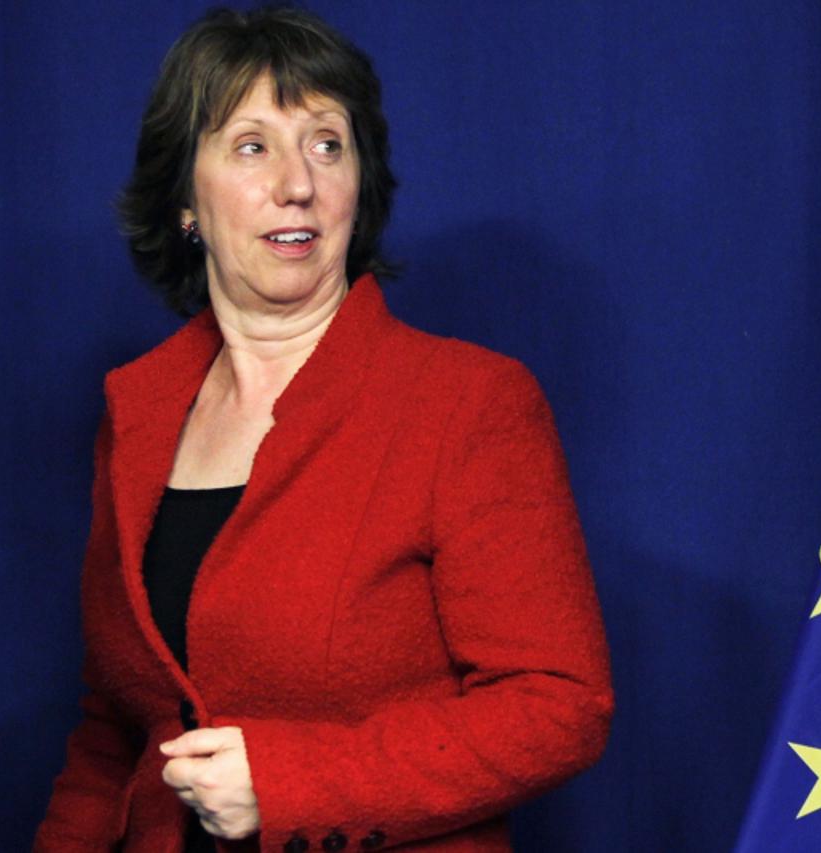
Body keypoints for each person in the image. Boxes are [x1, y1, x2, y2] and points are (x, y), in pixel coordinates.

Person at [34, 7, 613, 852]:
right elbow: (116, 729)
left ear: (358, 185)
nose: (297, 182)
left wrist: (287, 782)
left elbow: (560, 702)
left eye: (326, 143)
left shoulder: (468, 403)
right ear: (185, 201)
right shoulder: (138, 412)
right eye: (251, 145)